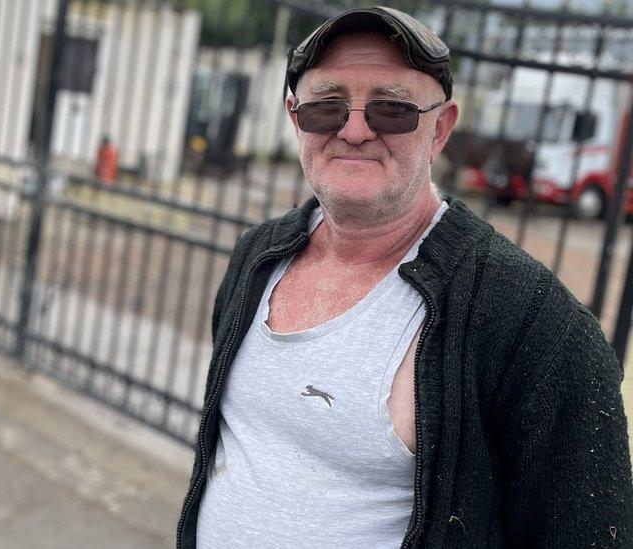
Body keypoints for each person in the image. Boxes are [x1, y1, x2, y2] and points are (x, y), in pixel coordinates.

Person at [176, 6, 633, 548]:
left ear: (440, 128)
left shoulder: (533, 326)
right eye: (327, 106)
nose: (353, 129)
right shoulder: (257, 258)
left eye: (392, 109)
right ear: (295, 117)